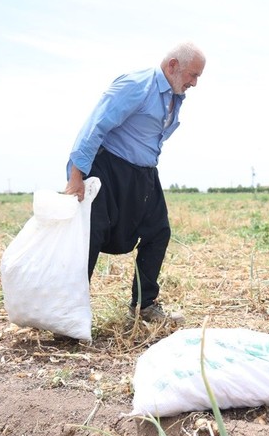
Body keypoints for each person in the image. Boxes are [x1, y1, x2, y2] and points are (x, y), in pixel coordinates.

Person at [65, 42, 206, 324]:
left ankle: (144, 305)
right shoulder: (136, 85)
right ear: (173, 65)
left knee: (159, 232)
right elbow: (96, 125)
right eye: (193, 75)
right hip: (109, 168)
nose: (194, 83)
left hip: (144, 174)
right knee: (90, 236)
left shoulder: (173, 96)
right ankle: (69, 313)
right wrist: (75, 176)